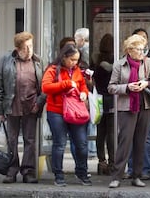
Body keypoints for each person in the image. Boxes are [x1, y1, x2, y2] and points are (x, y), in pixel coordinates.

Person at [107, 34, 150, 189]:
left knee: (141, 142)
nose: (141, 52)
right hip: (127, 106)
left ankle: (137, 175)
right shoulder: (119, 65)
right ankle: (117, 176)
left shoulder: (148, 62)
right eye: (138, 49)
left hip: (145, 106)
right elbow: (111, 87)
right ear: (129, 50)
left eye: (143, 49)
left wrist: (146, 83)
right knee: (125, 142)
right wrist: (127, 87)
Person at [0, 31, 46, 184]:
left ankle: (28, 171)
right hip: (12, 105)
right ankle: (11, 171)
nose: (29, 51)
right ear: (17, 49)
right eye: (25, 48)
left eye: (30, 46)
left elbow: (44, 86)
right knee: (12, 140)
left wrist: (39, 102)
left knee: (30, 140)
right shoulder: (6, 60)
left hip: (31, 106)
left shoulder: (38, 61)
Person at [42, 43, 92, 187]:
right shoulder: (52, 69)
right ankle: (58, 175)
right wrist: (66, 84)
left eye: (76, 60)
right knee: (60, 144)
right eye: (72, 60)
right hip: (56, 111)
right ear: (64, 57)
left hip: (76, 110)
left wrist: (84, 93)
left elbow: (82, 84)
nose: (74, 63)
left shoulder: (76, 70)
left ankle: (82, 172)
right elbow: (46, 87)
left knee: (82, 144)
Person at [126, 28, 150, 180]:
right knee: (130, 134)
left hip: (147, 100)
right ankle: (132, 168)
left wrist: (145, 82)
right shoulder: (125, 59)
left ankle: (146, 169)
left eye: (143, 38)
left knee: (146, 135)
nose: (141, 40)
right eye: (137, 38)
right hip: (130, 100)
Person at [93, 33, 115, 175]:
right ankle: (113, 162)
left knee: (100, 133)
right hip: (112, 98)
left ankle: (101, 162)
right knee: (112, 133)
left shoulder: (95, 60)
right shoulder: (115, 61)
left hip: (98, 99)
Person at [74, 28, 96, 159]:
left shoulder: (82, 52)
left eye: (76, 39)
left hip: (85, 90)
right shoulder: (92, 50)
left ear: (81, 39)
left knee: (86, 120)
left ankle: (89, 149)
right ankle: (92, 149)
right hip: (90, 90)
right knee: (91, 120)